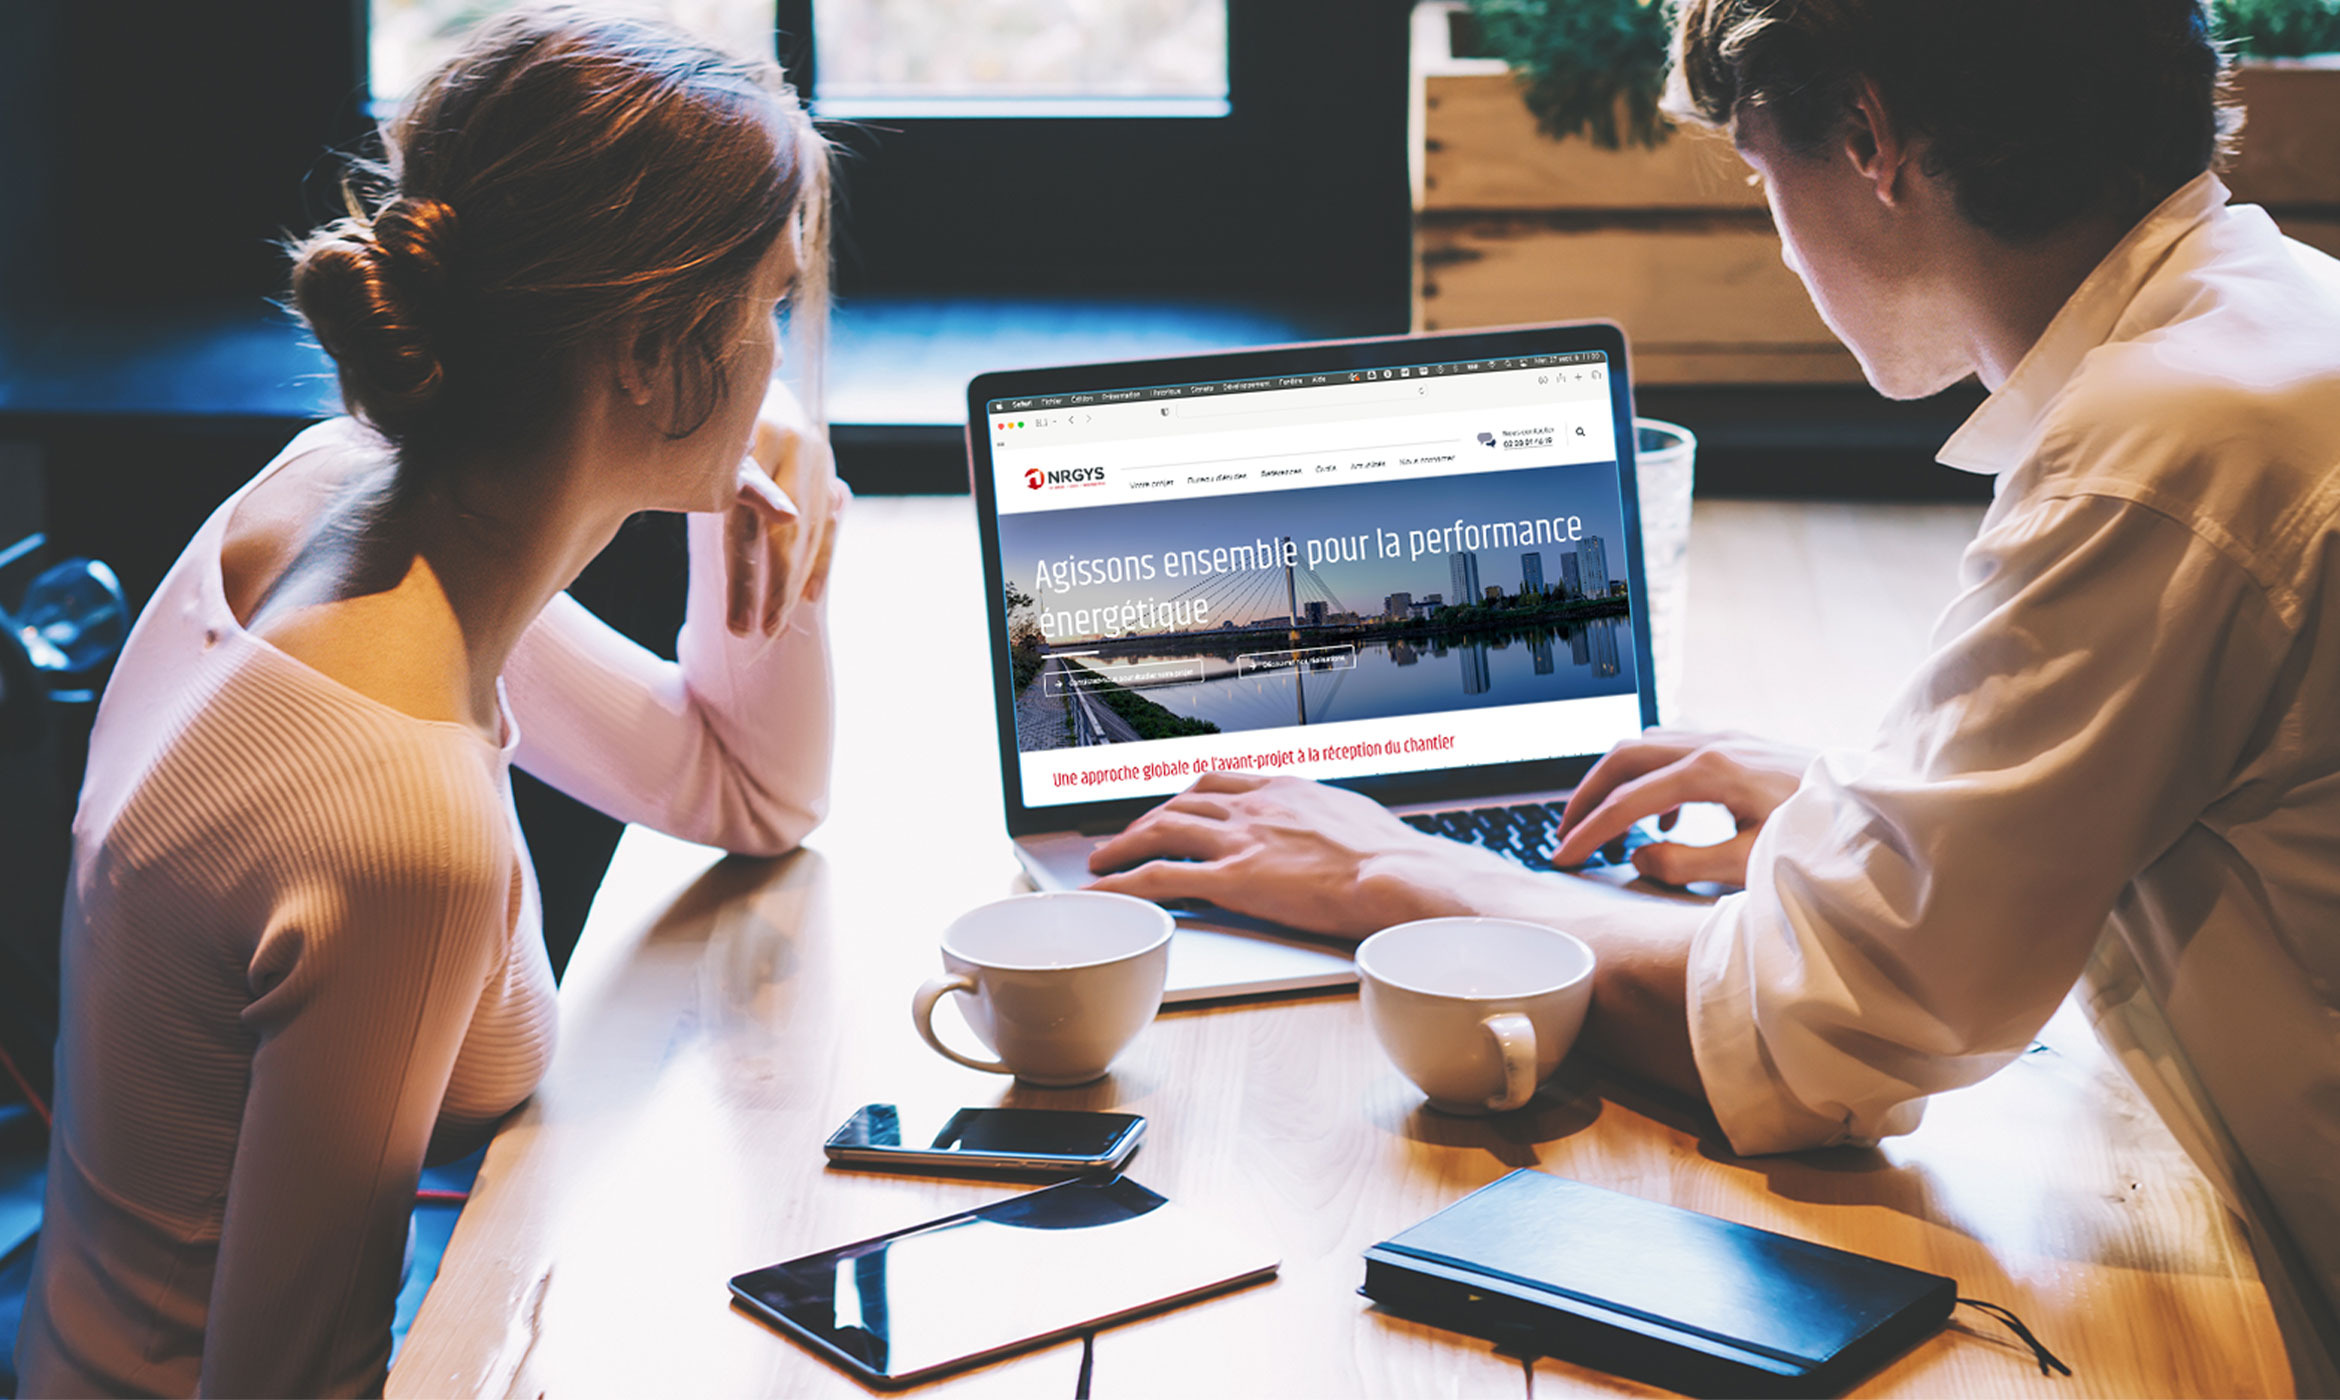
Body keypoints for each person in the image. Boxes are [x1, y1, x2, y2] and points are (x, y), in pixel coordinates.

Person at [1088, 0, 2340, 1387]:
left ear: (1869, 138)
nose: (1774, 229)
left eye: (1758, 172)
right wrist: (1843, 808)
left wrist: (1393, 870)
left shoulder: (2166, 448)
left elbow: (1814, 1037)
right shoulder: (2272, 324)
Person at [14, 10, 841, 1395]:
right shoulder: (405, 826)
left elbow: (749, 796)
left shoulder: (350, 490)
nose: (780, 352)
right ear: (648, 355)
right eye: (770, 307)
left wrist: (777, 459)